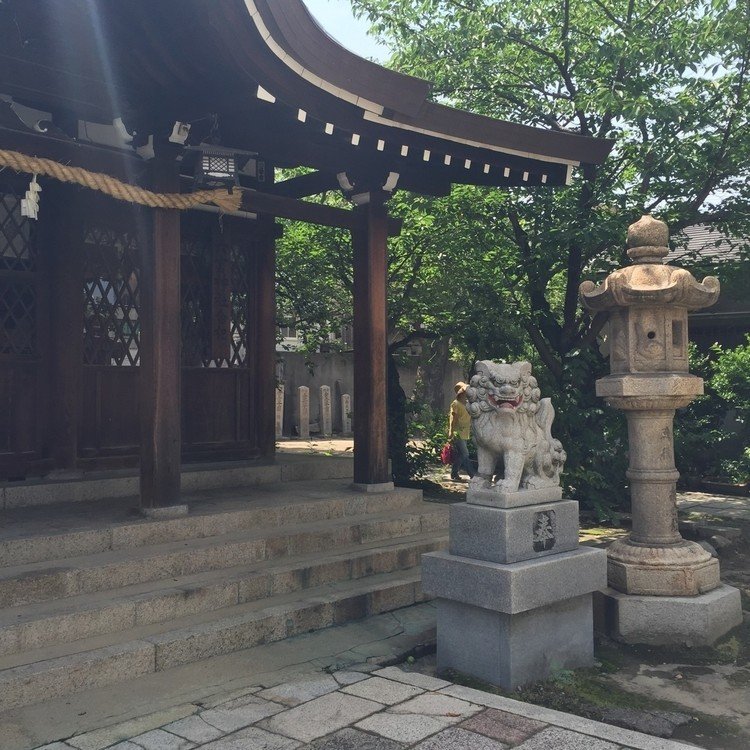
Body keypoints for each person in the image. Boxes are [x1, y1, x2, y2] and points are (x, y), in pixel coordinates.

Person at [448, 381, 474, 481]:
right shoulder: (455, 404)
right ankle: (473, 475)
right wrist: (451, 432)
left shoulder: (467, 404)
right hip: (458, 433)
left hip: (465, 432)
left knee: (460, 455)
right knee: (465, 454)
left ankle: (454, 473)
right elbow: (452, 419)